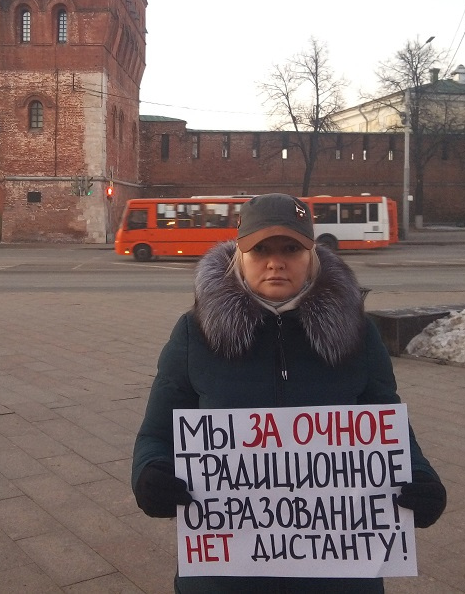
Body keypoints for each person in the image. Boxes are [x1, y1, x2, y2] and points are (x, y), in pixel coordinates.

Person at [131, 193, 446, 594]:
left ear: (311, 254)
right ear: (239, 256)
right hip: (226, 574)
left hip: (338, 572)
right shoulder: (196, 334)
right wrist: (149, 474)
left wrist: (421, 478)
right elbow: (157, 434)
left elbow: (386, 425)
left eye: (291, 248)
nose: (275, 261)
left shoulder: (357, 333)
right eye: (260, 249)